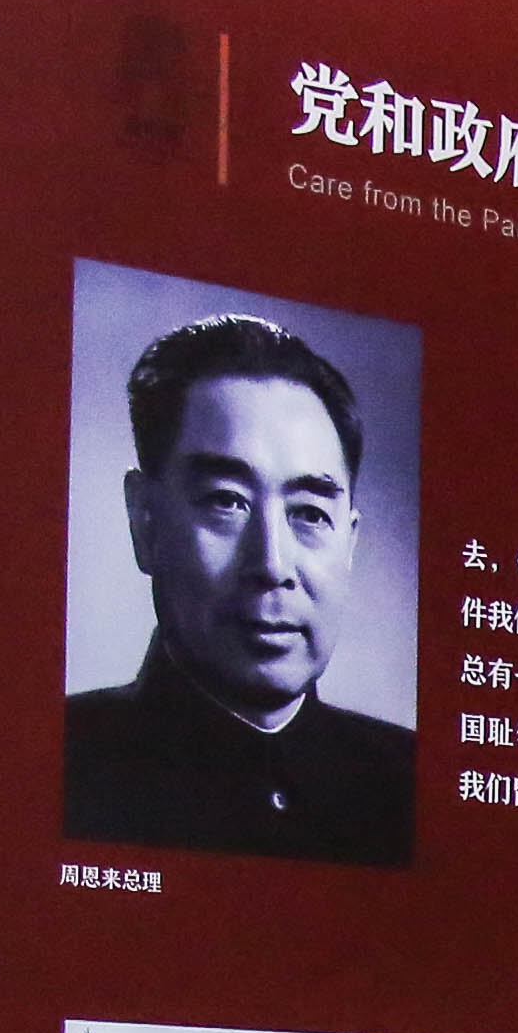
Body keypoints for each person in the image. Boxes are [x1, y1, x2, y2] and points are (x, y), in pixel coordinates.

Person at [60, 310, 416, 864]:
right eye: (226, 501)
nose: (272, 565)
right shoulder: (58, 763)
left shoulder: (410, 784)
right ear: (145, 521)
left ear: (349, 543)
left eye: (309, 513)